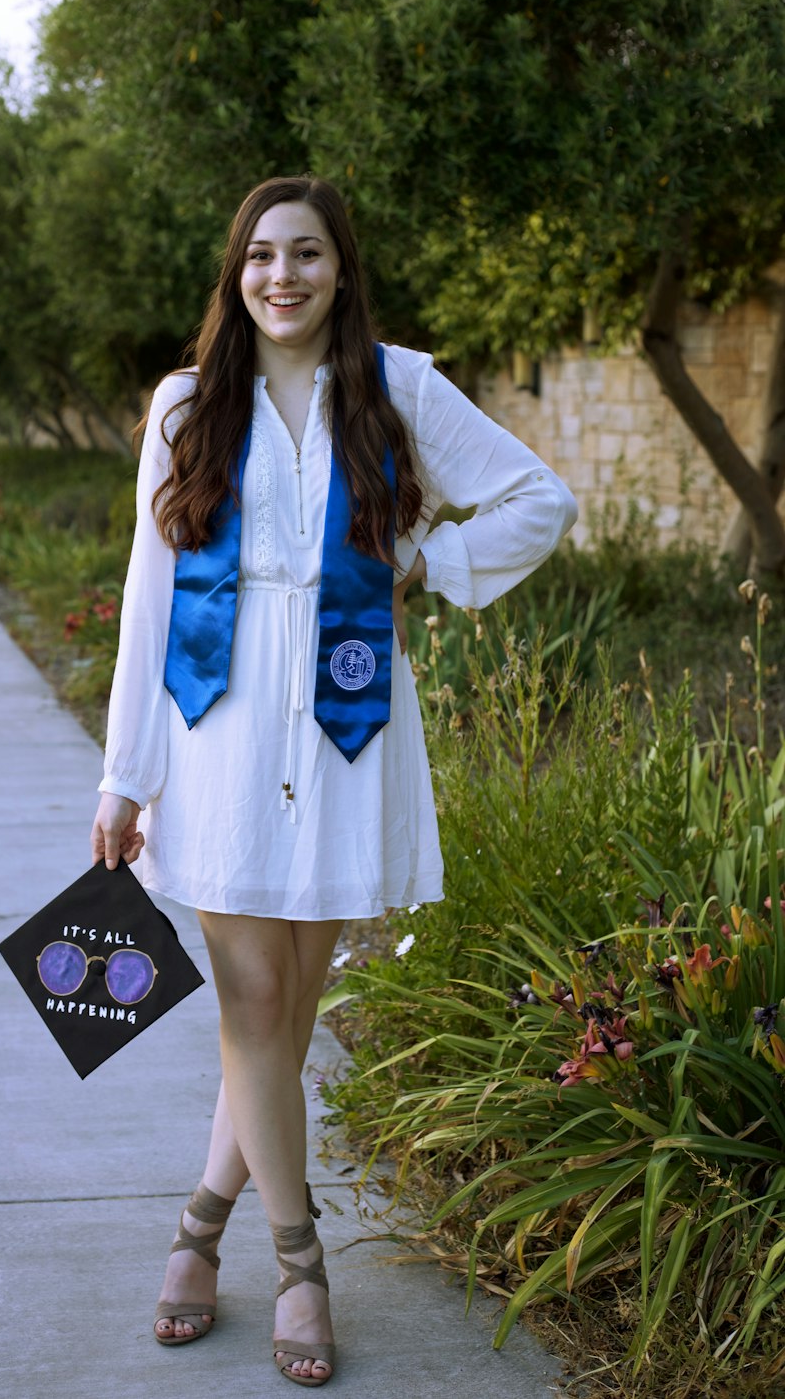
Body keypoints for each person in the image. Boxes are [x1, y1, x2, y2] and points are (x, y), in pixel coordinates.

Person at [90, 175, 577, 1387]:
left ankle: (197, 1228)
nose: (282, 277)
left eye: (305, 254)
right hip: (219, 732)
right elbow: (149, 605)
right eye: (260, 256)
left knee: (287, 1018)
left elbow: (541, 497)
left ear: (341, 268)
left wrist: (430, 561)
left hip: (348, 725)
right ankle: (301, 1266)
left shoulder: (398, 388)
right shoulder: (187, 405)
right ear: (235, 274)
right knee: (253, 1007)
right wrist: (124, 777)